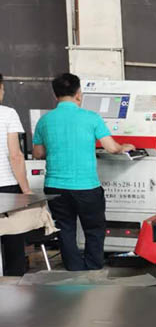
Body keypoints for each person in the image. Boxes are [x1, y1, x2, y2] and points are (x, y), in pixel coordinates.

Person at [33, 73, 135, 271]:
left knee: (65, 228)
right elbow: (112, 148)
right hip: (86, 186)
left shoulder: (44, 121)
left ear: (55, 95)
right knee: (94, 228)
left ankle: (73, 267)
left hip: (55, 187)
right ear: (79, 93)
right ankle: (93, 266)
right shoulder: (91, 118)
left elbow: (38, 153)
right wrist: (125, 147)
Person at [0, 73, 34, 275]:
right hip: (7, 187)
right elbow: (15, 155)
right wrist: (26, 189)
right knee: (12, 238)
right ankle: (13, 283)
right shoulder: (7, 114)